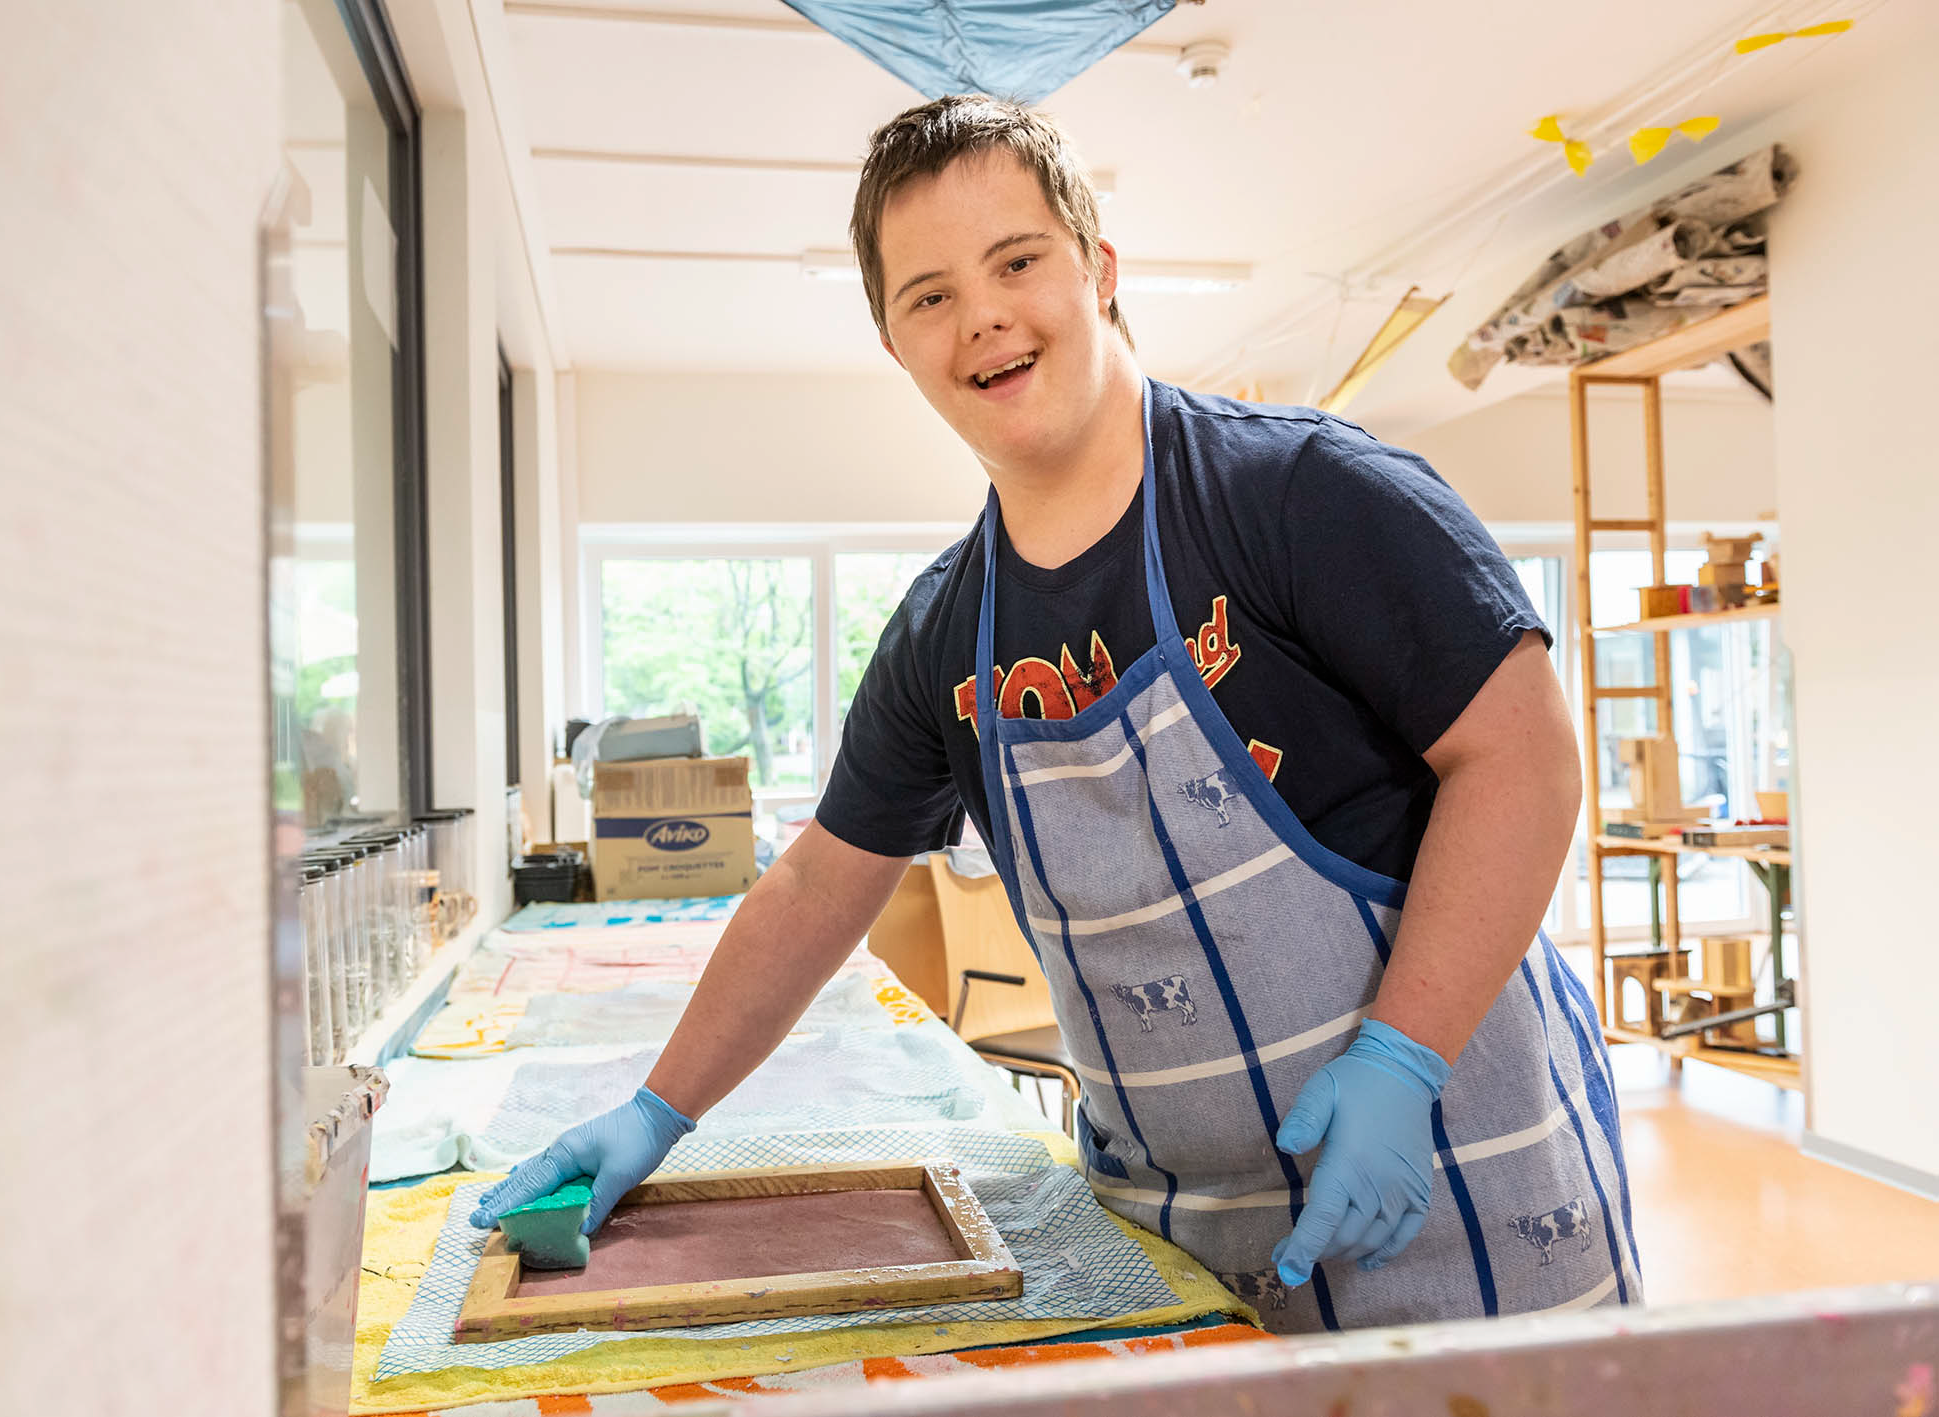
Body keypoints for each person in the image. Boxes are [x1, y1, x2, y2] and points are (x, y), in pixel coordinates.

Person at [471, 94, 1643, 1333]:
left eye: (1017, 261)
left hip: (1459, 1183)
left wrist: (1402, 1055)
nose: (980, 315)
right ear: (893, 342)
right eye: (928, 295)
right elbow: (816, 882)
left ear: (1099, 267)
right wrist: (658, 1110)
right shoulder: (944, 634)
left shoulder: (1300, 493)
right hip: (1182, 1245)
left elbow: (1520, 756)